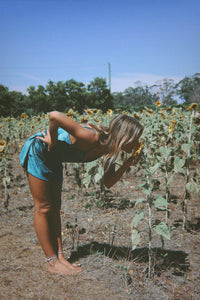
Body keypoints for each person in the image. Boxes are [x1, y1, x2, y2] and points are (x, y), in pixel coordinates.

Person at [19, 111, 143, 275]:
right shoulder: (91, 137)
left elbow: (108, 183)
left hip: (54, 157)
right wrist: (53, 138)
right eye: (135, 139)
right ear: (125, 137)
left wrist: (126, 164)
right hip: (40, 150)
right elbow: (54, 116)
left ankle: (60, 257)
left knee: (55, 208)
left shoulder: (109, 150)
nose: (138, 143)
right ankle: (51, 262)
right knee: (43, 208)